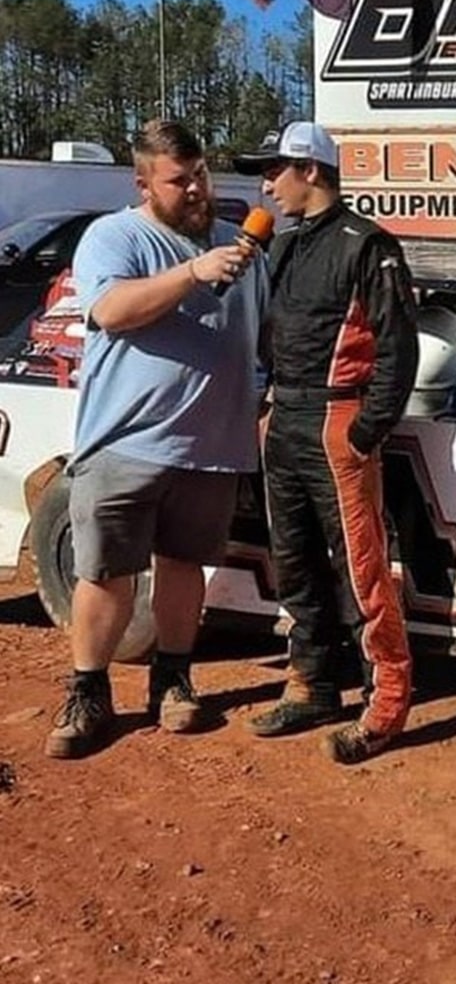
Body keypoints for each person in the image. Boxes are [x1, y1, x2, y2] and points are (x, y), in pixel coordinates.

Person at [44, 120, 268, 760]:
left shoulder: (240, 247)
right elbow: (112, 311)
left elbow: (266, 331)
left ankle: (173, 680)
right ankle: (88, 691)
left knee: (184, 567)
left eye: (200, 174)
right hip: (126, 443)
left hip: (213, 447)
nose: (196, 189)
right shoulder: (115, 236)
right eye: (179, 180)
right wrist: (193, 272)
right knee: (107, 573)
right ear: (144, 184)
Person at [234, 121, 418, 764]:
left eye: (273, 170)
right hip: (283, 418)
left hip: (338, 420)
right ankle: (311, 682)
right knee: (294, 560)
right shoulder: (279, 246)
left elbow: (400, 347)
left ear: (311, 170)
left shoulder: (367, 244)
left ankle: (387, 702)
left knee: (363, 570)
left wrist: (368, 429)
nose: (265, 184)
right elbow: (262, 335)